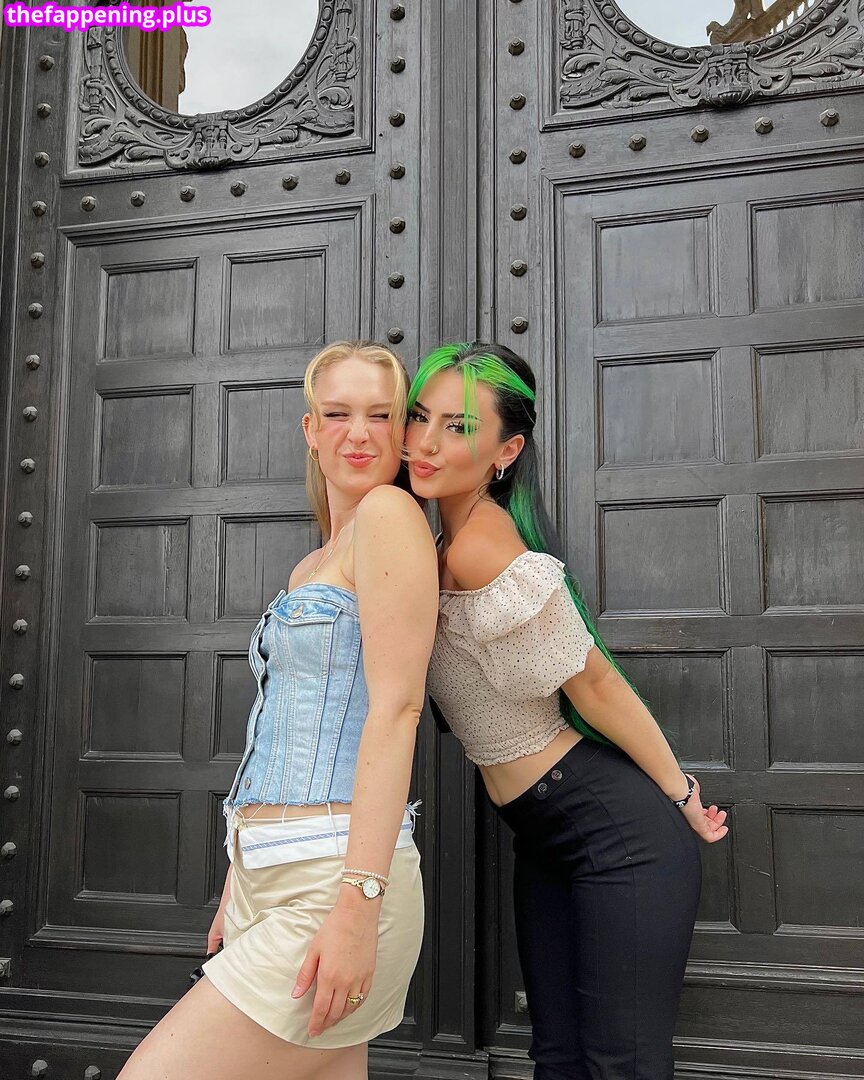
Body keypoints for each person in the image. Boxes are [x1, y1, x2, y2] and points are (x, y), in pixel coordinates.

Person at [404, 341, 728, 1080]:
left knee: (621, 1064)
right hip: (547, 834)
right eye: (420, 417)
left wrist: (681, 794)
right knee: (559, 1058)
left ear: (506, 451)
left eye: (457, 426)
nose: (426, 441)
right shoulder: (440, 541)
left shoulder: (483, 548)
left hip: (615, 835)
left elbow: (597, 686)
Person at [118, 341, 439, 1080]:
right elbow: (285, 722)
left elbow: (397, 710)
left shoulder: (390, 514)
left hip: (334, 881)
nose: (358, 434)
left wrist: (357, 906)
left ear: (403, 433)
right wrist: (241, 876)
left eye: (380, 415)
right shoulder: (314, 562)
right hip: (273, 877)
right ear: (310, 430)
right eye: (338, 414)